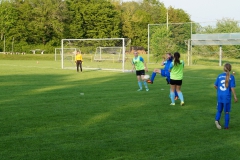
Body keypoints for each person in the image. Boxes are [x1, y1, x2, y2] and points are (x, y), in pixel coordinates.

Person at [214, 63, 237, 130]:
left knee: (219, 110)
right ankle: (226, 126)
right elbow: (232, 88)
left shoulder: (219, 75)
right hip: (226, 97)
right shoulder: (232, 77)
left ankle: (217, 120)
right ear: (230, 69)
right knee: (226, 112)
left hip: (220, 96)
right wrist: (235, 96)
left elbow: (215, 86)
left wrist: (219, 90)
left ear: (223, 68)